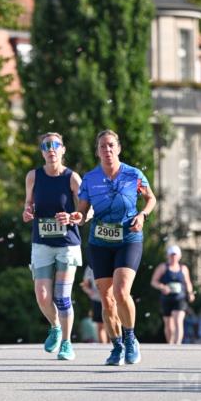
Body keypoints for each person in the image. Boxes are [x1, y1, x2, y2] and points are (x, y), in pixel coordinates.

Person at [77, 129, 156, 366]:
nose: (107, 150)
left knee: (121, 292)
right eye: (103, 146)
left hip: (128, 238)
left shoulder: (134, 175)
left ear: (118, 148)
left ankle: (130, 339)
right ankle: (116, 345)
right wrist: (75, 218)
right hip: (99, 242)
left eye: (111, 145)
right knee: (106, 299)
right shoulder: (90, 179)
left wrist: (143, 215)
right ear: (98, 151)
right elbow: (81, 212)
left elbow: (151, 198)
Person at [22, 132, 83, 361]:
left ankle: (67, 343)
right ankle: (55, 326)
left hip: (67, 244)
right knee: (42, 295)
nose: (51, 149)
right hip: (42, 243)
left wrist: (74, 217)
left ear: (63, 149)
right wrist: (28, 212)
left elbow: (87, 210)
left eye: (55, 145)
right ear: (42, 151)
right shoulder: (33, 176)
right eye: (46, 145)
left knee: (62, 296)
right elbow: (28, 205)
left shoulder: (72, 178)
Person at [150, 245, 195, 344]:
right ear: (168, 256)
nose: (173, 257)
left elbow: (187, 282)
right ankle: (170, 343)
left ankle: (177, 344)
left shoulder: (183, 268)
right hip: (166, 298)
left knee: (178, 320)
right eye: (171, 255)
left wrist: (190, 293)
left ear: (179, 256)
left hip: (180, 298)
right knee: (168, 324)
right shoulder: (163, 267)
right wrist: (162, 287)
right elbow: (153, 281)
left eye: (175, 255)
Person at [80, 265, 108, 343]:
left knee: (112, 323)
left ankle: (115, 346)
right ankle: (104, 348)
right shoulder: (90, 267)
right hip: (97, 299)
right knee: (100, 326)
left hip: (111, 298)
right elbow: (85, 284)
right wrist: (90, 292)